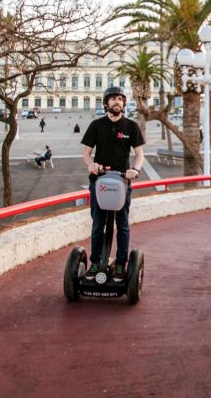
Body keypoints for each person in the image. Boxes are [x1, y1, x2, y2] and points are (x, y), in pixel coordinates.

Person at [81, 85, 145, 283]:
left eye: (120, 98)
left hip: (122, 182)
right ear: (106, 103)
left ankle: (120, 264)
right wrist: (91, 165)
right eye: (113, 98)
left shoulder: (131, 127)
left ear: (124, 103)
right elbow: (86, 154)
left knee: (122, 225)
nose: (117, 101)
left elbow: (139, 155)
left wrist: (135, 170)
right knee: (98, 224)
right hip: (99, 181)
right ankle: (96, 262)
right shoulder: (96, 125)